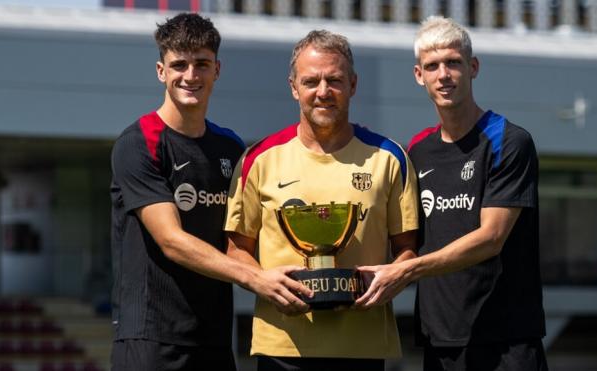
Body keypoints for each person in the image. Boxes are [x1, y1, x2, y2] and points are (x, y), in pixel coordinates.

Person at [110, 13, 312, 371]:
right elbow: (171, 240)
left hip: (215, 339)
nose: (190, 76)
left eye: (201, 64)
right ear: (161, 71)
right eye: (179, 65)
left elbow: (245, 235)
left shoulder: (231, 147)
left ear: (217, 70)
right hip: (152, 339)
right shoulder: (139, 143)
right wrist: (257, 279)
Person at [355, 16, 548, 371]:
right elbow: (404, 236)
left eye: (453, 62)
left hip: (506, 341)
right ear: (419, 75)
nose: (443, 74)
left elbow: (491, 238)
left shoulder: (508, 141)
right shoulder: (417, 151)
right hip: (439, 341)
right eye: (432, 66)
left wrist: (408, 271)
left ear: (473, 67)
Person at [224, 30, 419, 371]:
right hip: (283, 345)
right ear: (293, 87)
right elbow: (236, 249)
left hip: (362, 345)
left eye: (335, 80)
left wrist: (393, 277)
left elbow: (407, 249)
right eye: (311, 81)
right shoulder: (259, 159)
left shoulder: (389, 157)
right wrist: (262, 281)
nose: (323, 92)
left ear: (353, 85)